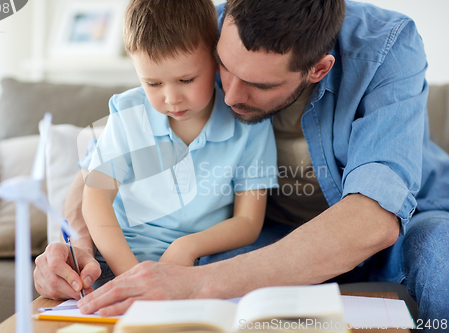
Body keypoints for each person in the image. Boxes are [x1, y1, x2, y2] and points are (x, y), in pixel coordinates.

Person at [34, 0, 449, 326]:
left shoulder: (386, 46)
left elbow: (372, 221)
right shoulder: (201, 29)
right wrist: (76, 245)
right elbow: (100, 162)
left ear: (318, 69)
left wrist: (197, 285)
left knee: (441, 253)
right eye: (224, 68)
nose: (229, 96)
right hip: (269, 236)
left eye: (258, 84)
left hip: (402, 224)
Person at [71, 0, 278, 283]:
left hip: (203, 260)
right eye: (153, 84)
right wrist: (134, 277)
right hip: (120, 259)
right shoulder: (129, 112)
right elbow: (95, 199)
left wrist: (187, 247)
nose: (171, 98)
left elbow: (249, 222)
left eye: (186, 79)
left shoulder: (250, 124)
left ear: (218, 61)